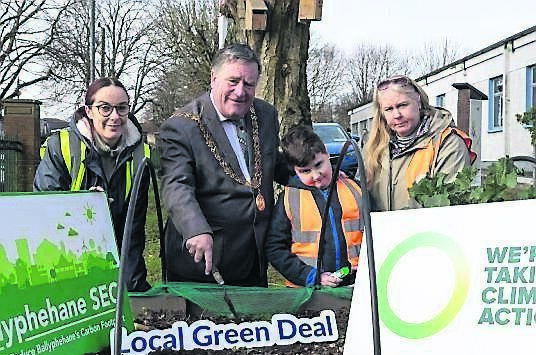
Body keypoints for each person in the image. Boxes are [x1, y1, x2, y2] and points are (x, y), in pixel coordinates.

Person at [160, 43, 288, 287]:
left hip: (253, 258)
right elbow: (177, 186)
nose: (240, 92)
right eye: (233, 81)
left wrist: (316, 174)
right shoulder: (181, 126)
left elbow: (274, 163)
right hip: (204, 263)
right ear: (214, 78)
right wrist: (195, 229)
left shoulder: (265, 114)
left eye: (249, 84)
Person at [34, 77, 151, 292]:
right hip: (64, 260)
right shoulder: (61, 147)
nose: (115, 117)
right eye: (104, 108)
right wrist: (80, 210)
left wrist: (133, 291)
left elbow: (132, 232)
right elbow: (44, 216)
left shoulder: (140, 155)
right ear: (89, 111)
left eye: (121, 108)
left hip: (112, 254)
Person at [265, 126, 363, 287]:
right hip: (307, 291)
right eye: (305, 171)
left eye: (319, 165)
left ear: (327, 155)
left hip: (356, 285)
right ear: (294, 171)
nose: (316, 175)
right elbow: (275, 248)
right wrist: (311, 276)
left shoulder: (356, 190)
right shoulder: (289, 198)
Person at [364, 75, 476, 211]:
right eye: (389, 109)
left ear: (418, 102)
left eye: (402, 105)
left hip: (426, 232)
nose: (397, 115)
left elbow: (449, 208)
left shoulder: (447, 144)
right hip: (382, 232)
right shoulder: (374, 148)